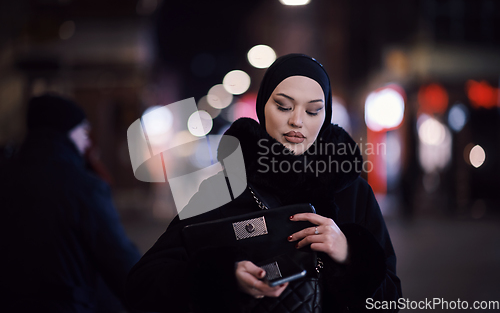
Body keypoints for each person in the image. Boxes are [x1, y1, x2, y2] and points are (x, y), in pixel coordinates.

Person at [125, 54, 402, 312]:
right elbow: (143, 284)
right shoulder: (226, 188)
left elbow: (391, 300)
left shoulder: (352, 192)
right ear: (263, 107)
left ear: (326, 117)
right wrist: (224, 277)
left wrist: (349, 254)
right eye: (283, 106)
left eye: (313, 111)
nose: (297, 121)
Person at [0, 94, 142, 313]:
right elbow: (120, 261)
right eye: (84, 132)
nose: (87, 141)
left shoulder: (7, 174)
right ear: (67, 131)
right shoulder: (84, 187)